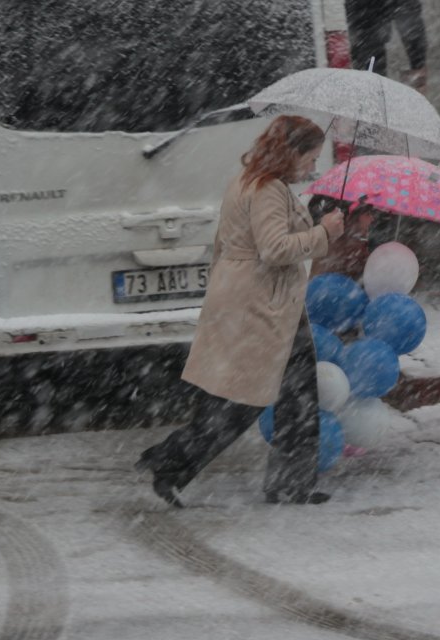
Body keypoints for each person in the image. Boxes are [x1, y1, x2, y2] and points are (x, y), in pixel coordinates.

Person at [136, 115, 345, 507]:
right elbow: (274, 249)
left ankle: (290, 484)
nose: (312, 167)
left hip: (261, 304)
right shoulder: (267, 189)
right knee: (242, 401)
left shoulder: (251, 181)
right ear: (291, 152)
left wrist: (313, 219)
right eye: (310, 157)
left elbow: (233, 242)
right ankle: (169, 461)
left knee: (295, 396)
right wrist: (324, 234)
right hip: (262, 307)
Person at [345, 0, 429, 92]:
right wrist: (418, 63)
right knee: (371, 84)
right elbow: (410, 20)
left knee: (368, 82)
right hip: (367, 41)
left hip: (357, 39)